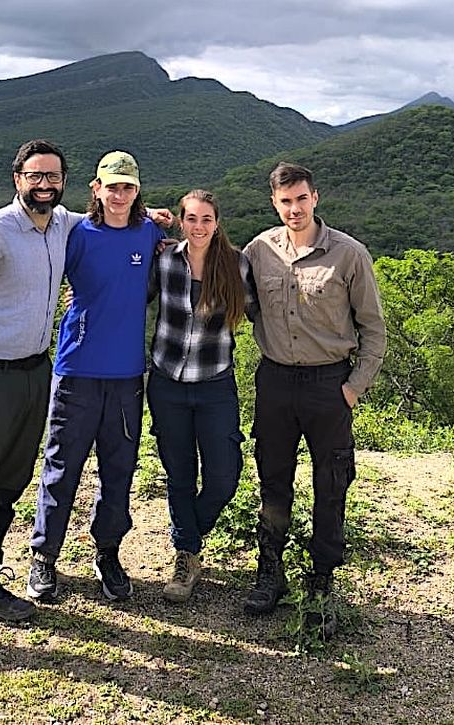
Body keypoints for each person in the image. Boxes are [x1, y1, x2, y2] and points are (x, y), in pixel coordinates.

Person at [0, 141, 169, 675]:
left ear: (65, 183)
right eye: (35, 175)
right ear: (17, 178)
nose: (44, 184)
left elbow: (112, 216)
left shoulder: (62, 225)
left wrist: (151, 215)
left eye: (53, 176)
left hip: (37, 373)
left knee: (8, 489)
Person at [242, 162, 386, 638]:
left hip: (329, 385)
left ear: (315, 198)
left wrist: (352, 388)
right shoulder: (258, 251)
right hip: (276, 381)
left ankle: (321, 579)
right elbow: (230, 297)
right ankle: (270, 572)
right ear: (274, 203)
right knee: (273, 479)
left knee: (331, 482)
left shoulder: (349, 255)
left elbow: (373, 330)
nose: (294, 209)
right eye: (285, 201)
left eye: (301, 199)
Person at [28, 151, 164, 604]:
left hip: (127, 376)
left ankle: (107, 552)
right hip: (77, 371)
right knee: (61, 468)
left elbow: (193, 229)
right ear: (97, 189)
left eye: (128, 187)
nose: (120, 195)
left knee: (118, 471)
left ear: (137, 190)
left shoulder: (149, 233)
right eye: (112, 186)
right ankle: (44, 557)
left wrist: (166, 219)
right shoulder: (75, 232)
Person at [146, 189, 257, 603]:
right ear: (180, 220)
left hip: (214, 383)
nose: (198, 227)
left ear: (217, 222)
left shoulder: (236, 265)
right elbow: (132, 294)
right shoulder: (165, 260)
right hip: (167, 382)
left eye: (206, 219)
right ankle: (187, 556)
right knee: (178, 473)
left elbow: (256, 310)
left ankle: (186, 537)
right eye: (190, 218)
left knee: (224, 476)